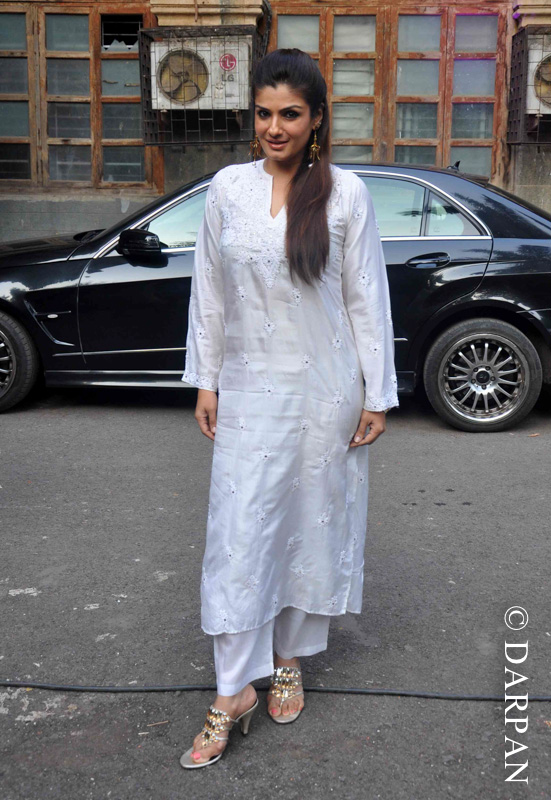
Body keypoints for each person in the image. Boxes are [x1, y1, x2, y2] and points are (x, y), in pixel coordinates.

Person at [179, 47, 399, 769]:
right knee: (239, 532)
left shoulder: (345, 195)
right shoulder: (227, 189)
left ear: (316, 120)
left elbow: (366, 297)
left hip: (323, 392)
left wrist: (377, 393)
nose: (275, 128)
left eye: (291, 115)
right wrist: (206, 380)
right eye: (264, 113)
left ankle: (290, 659)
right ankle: (232, 688)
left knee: (308, 522)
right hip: (248, 390)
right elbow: (209, 290)